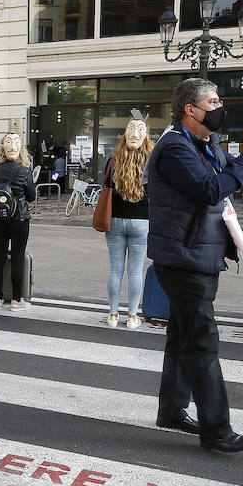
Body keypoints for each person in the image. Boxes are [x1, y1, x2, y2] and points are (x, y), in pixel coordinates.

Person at [147, 78, 243, 454]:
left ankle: (172, 410)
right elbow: (211, 189)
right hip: (184, 258)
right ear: (189, 110)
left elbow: (238, 179)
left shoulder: (204, 144)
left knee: (182, 336)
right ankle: (217, 429)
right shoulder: (175, 148)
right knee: (203, 342)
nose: (219, 105)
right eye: (212, 101)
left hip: (196, 254)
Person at [102, 119, 152, 329]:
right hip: (141, 222)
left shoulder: (113, 160)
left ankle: (113, 315)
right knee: (135, 271)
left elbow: (105, 188)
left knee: (115, 270)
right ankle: (132, 316)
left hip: (114, 220)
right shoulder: (151, 161)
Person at [0, 132, 37, 311]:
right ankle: (17, 301)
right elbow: (31, 197)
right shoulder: (24, 170)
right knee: (17, 258)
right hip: (19, 218)